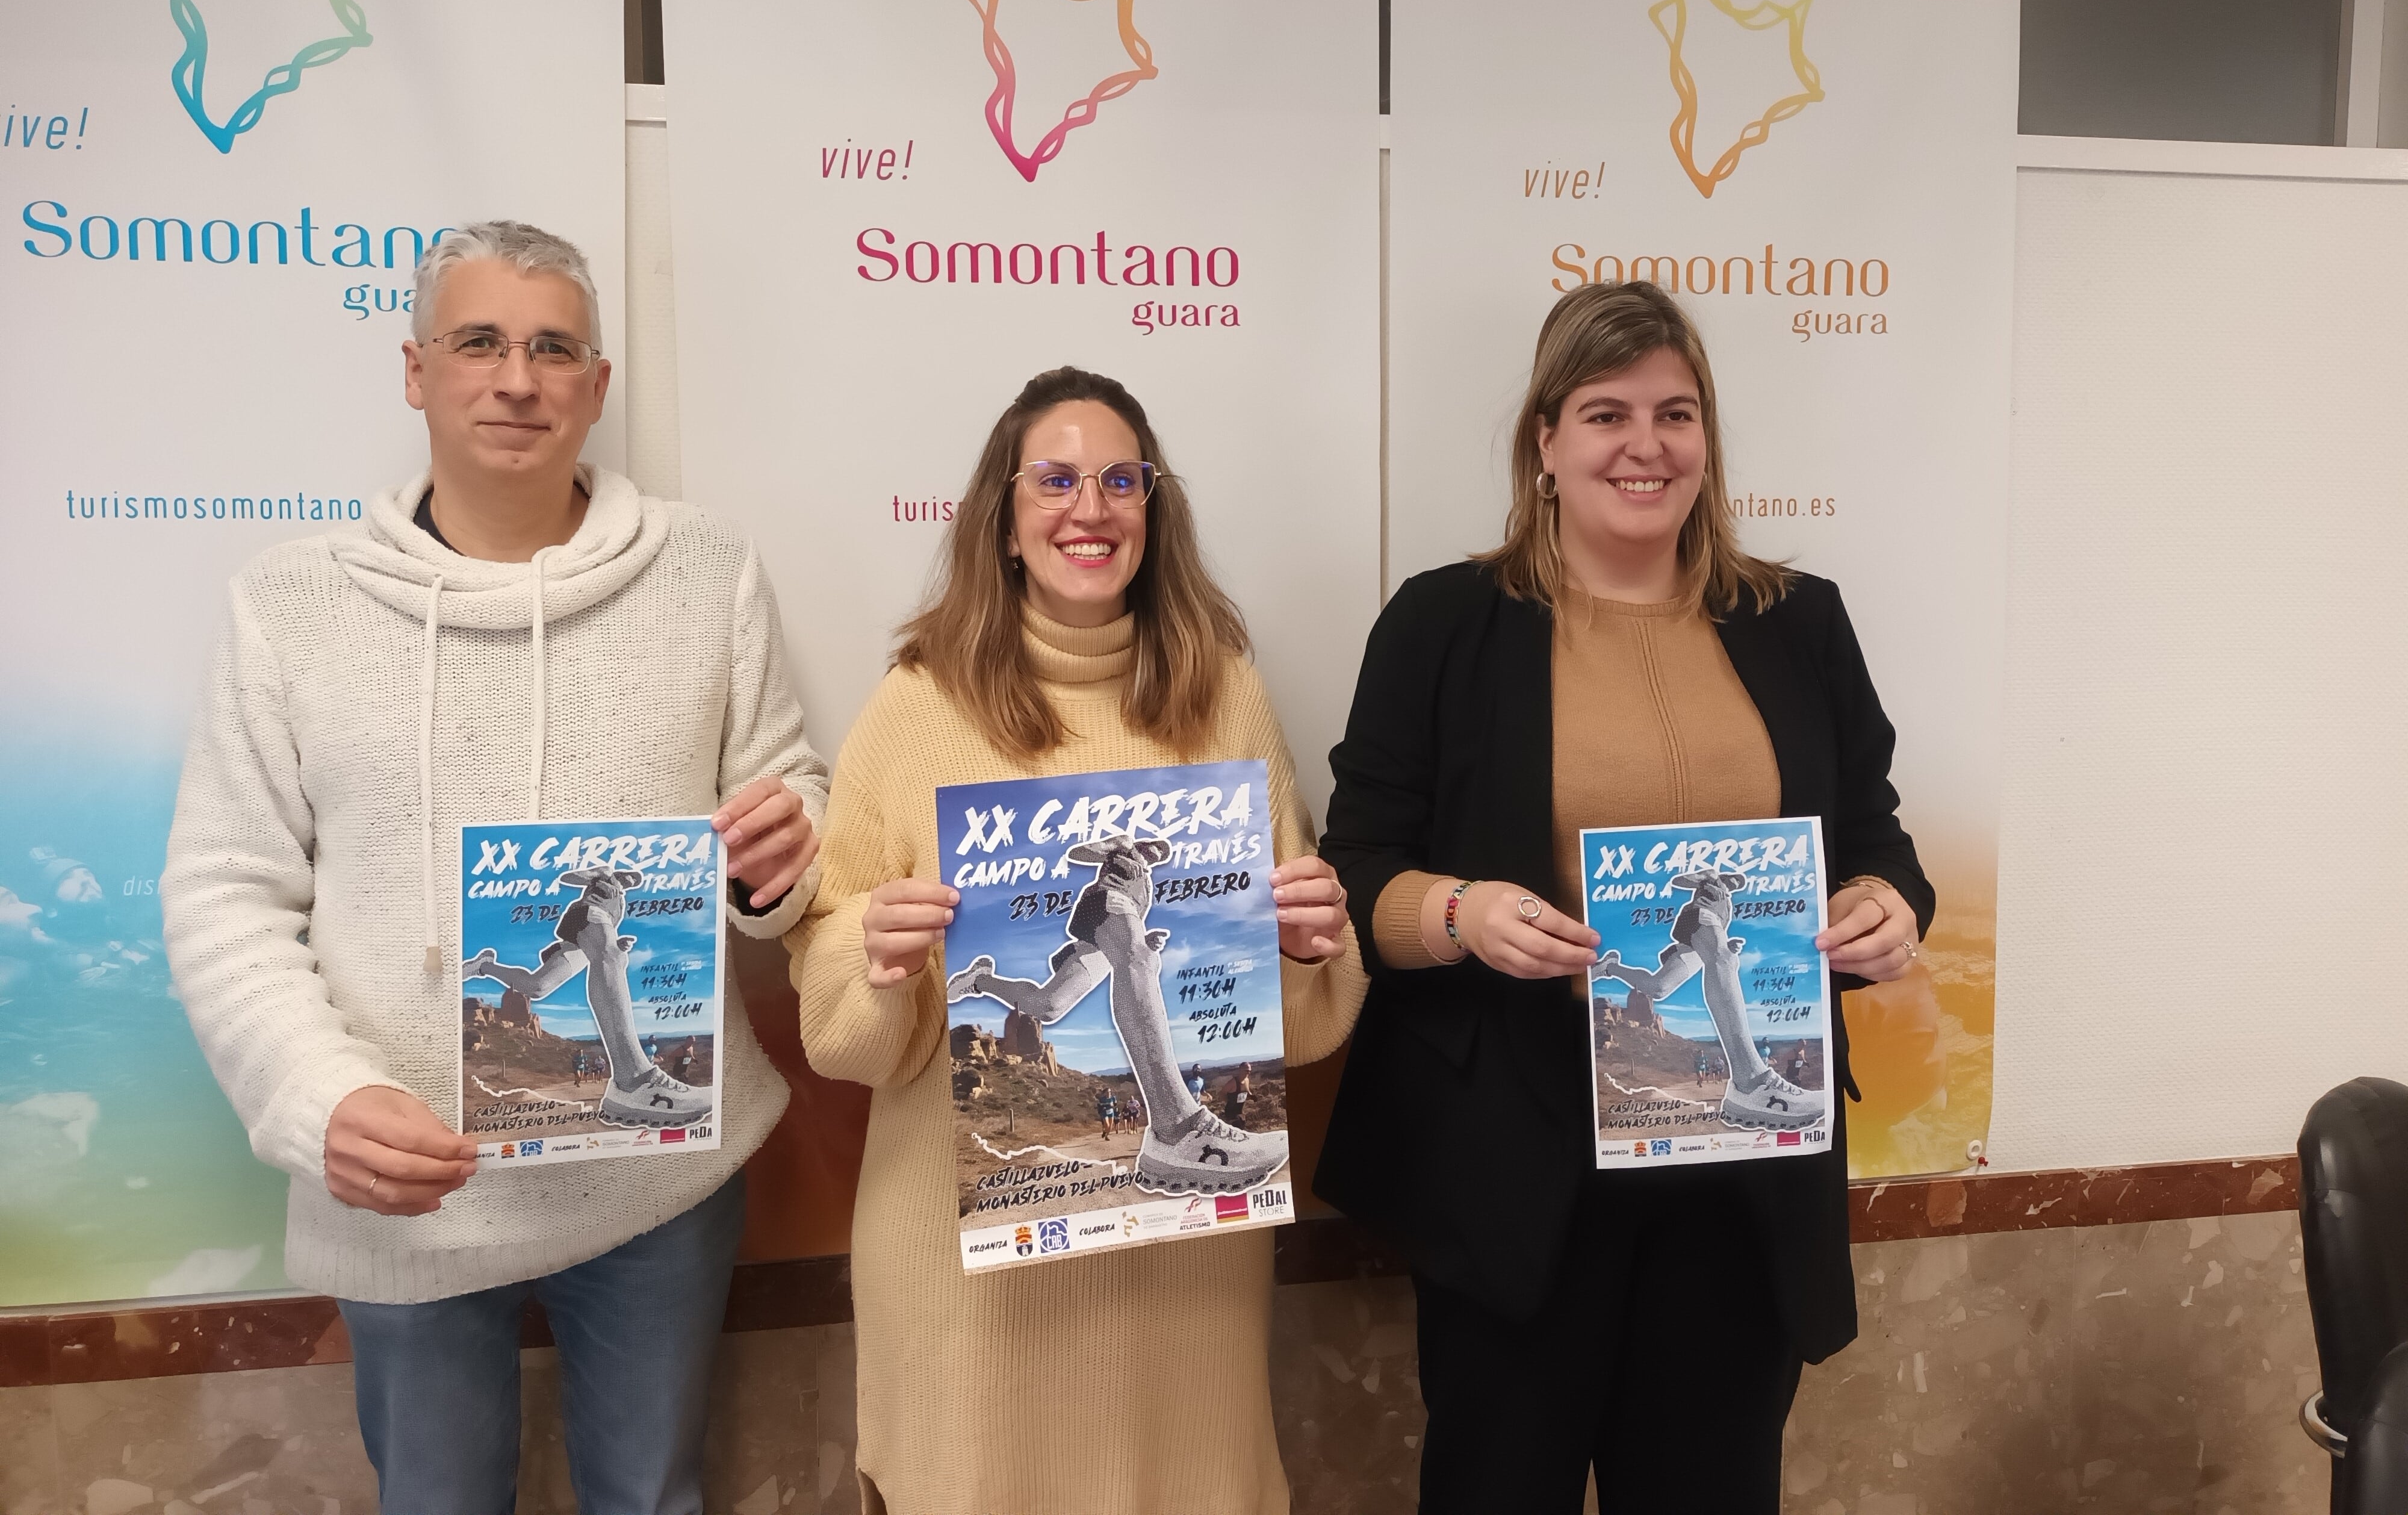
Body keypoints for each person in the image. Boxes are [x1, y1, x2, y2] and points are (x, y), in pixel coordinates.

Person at [161, 222, 829, 1515]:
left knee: (652, 1498)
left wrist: (780, 855)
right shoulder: (287, 603)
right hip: (403, 1179)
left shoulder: (708, 570)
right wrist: (319, 1099)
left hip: (661, 1178)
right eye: (478, 343)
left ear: (597, 383)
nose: (516, 379)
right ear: (416, 372)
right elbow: (224, 889)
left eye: (550, 348)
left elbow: (783, 797)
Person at [1314, 281, 1931, 1515]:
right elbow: (1357, 869)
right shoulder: (1446, 623)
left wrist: (1882, 903)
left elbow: (1870, 834)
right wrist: (1458, 916)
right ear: (1543, 444)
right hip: (1517, 1169)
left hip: (1739, 1175)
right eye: (1604, 414)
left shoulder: (1797, 622)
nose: (1643, 447)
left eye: (1674, 413)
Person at [788, 366, 1367, 1513]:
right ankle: (1156, 1109)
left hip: (1182, 1289)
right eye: (1054, 481)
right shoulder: (917, 706)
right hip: (970, 1287)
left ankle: (1173, 1121)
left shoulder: (1226, 696)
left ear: (1156, 510)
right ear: (1003, 520)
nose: (1088, 510)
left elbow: (1293, 1025)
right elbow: (831, 1009)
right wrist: (876, 954)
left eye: (1119, 481)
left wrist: (1310, 944)